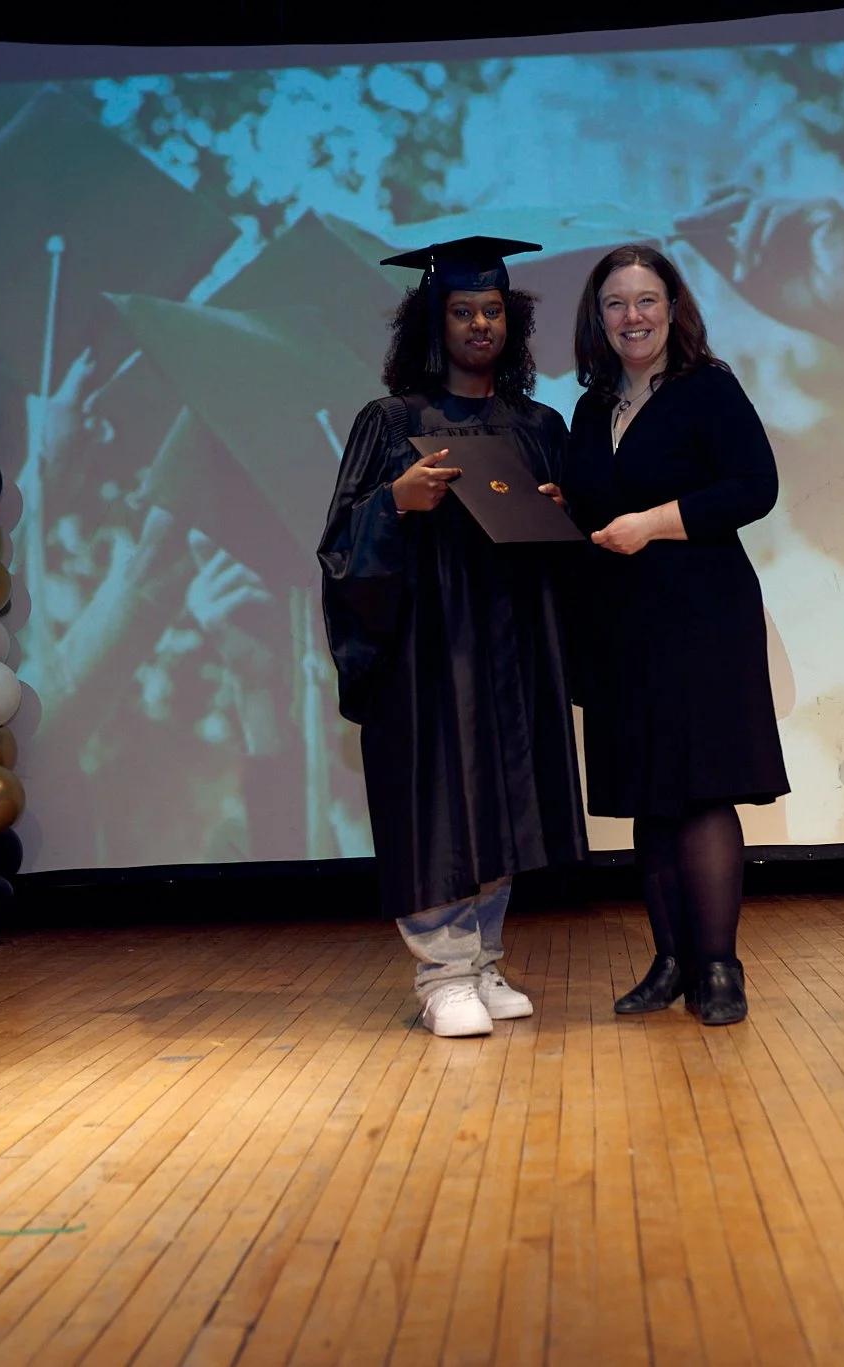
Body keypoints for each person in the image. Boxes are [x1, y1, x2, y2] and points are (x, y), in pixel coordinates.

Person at [317, 236, 588, 1038]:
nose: (479, 324)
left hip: (510, 649)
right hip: (427, 653)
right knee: (435, 801)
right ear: (431, 323)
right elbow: (339, 546)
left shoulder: (537, 423)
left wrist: (559, 509)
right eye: (462, 310)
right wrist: (394, 501)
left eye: (492, 310)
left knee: (507, 795)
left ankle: (485, 959)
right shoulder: (391, 421)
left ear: (513, 320)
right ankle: (443, 973)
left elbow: (567, 544)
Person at [561, 244, 790, 1027]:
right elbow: (595, 508)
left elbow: (755, 487)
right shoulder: (591, 408)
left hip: (701, 616)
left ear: (673, 307)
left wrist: (652, 525)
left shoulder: (707, 389)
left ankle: (720, 969)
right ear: (598, 318)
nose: (633, 316)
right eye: (616, 303)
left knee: (699, 791)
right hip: (621, 623)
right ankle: (669, 962)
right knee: (646, 800)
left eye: (646, 300)